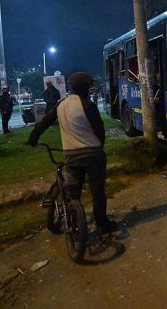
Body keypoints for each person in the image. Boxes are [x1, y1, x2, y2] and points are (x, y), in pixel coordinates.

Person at [27, 72, 117, 234]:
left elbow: (42, 124)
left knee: (73, 191)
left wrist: (32, 140)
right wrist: (99, 146)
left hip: (72, 156)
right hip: (93, 155)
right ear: (85, 88)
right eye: (89, 86)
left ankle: (73, 220)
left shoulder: (61, 105)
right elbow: (100, 131)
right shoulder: (88, 105)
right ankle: (102, 224)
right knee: (97, 192)